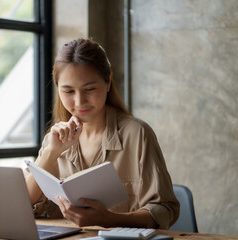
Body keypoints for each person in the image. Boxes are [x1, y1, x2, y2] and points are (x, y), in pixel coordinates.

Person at [25, 38, 179, 229]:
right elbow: (22, 205)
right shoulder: (54, 138)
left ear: (108, 83)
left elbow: (164, 210)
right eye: (68, 91)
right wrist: (50, 153)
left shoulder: (137, 134)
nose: (79, 101)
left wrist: (108, 219)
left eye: (89, 89)